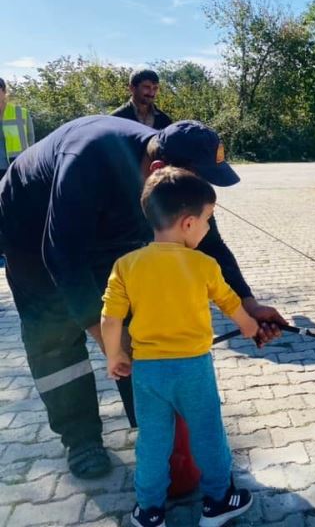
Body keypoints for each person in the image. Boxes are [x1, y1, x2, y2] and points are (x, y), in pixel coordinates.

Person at [0, 115, 284, 479]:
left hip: (100, 225)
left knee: (141, 325)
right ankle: (81, 438)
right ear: (160, 170)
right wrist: (105, 336)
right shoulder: (88, 160)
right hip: (29, 225)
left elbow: (208, 244)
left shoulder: (173, 177)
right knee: (54, 333)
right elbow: (62, 255)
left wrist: (248, 303)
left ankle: (154, 429)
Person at [103, 167, 257, 527]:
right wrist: (250, 327)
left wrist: (116, 356)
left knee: (153, 442)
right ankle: (218, 501)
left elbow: (110, 320)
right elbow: (230, 303)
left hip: (147, 372)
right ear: (188, 224)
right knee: (208, 434)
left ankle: (149, 510)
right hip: (192, 369)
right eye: (208, 219)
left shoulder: (126, 266)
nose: (207, 227)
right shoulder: (204, 264)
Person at [0, 76, 36, 180]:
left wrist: (31, 161)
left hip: (18, 164)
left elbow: (31, 139)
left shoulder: (21, 112)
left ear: (4, 91)